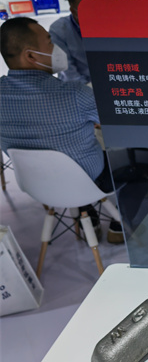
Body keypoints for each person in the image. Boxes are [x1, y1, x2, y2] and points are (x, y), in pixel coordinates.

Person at [0, 17, 122, 242]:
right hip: (90, 180)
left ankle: (87, 216)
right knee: (140, 158)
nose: (55, 48)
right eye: (49, 42)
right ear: (31, 56)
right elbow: (115, 123)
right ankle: (118, 226)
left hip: (36, 186)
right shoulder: (75, 94)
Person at [48, 0, 94, 85]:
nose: (91, 13)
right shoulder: (58, 30)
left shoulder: (106, 24)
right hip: (78, 86)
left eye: (93, 7)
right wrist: (89, 88)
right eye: (85, 9)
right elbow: (67, 71)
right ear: (73, 11)